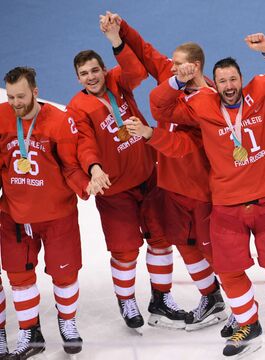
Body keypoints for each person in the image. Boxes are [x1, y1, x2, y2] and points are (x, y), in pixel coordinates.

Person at [149, 33, 265, 357]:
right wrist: (175, 82)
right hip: (226, 205)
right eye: (222, 80)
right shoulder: (201, 105)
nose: (228, 86)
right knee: (228, 270)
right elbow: (161, 109)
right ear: (216, 82)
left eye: (233, 79)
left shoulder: (263, 89)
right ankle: (247, 324)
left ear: (241, 78)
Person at [98, 11, 228, 333]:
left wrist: (148, 134)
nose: (170, 66)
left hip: (199, 188)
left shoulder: (206, 101)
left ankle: (239, 306)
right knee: (183, 243)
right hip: (172, 185)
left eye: (178, 64)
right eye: (172, 62)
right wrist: (120, 30)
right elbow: (145, 52)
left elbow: (183, 145)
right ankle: (211, 297)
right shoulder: (174, 76)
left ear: (193, 67)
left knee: (214, 250)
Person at [66, 17, 187, 332]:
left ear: (104, 70)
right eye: (84, 74)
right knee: (125, 250)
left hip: (148, 178)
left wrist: (116, 41)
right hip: (115, 190)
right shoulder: (78, 108)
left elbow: (137, 71)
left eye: (95, 70)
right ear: (77, 78)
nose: (91, 77)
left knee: (161, 240)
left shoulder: (118, 81)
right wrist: (93, 169)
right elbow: (84, 144)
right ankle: (127, 299)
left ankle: (161, 298)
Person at [0, 67, 93, 359]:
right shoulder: (1, 117)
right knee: (19, 276)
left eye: (21, 96)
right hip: (15, 215)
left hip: (56, 215)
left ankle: (67, 323)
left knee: (65, 275)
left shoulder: (59, 120)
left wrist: (88, 184)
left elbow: (70, 166)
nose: (15, 102)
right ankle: (30, 332)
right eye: (11, 96)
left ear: (35, 93)